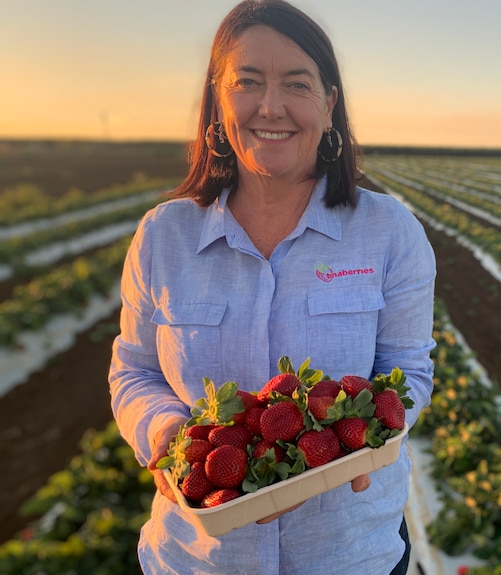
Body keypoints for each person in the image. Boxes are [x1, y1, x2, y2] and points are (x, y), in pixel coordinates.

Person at [108, 1, 436, 573]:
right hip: (198, 557)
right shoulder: (165, 236)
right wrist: (166, 435)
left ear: (329, 104)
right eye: (249, 82)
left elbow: (409, 370)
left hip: (350, 555)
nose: (271, 106)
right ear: (218, 99)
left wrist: (368, 439)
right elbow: (133, 370)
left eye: (297, 84)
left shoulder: (388, 231)